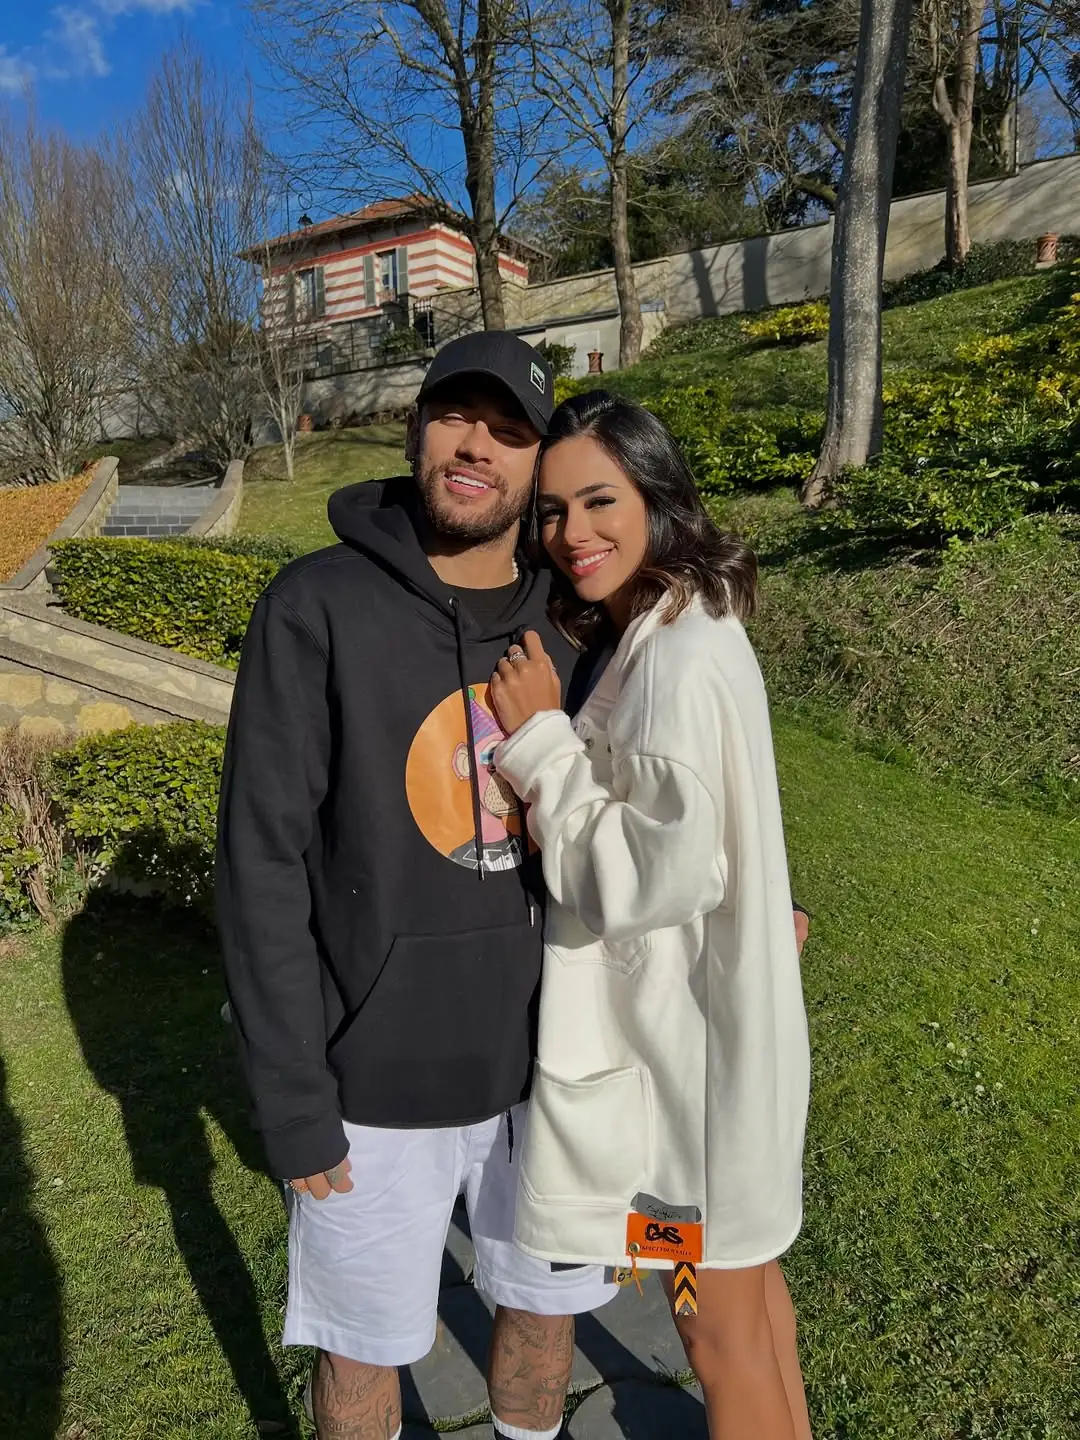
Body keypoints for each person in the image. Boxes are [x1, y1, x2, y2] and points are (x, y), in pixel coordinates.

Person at [215, 332, 620, 1440]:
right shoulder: (315, 606)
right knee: (360, 1353)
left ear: (539, 462)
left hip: (557, 1067)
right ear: (415, 429)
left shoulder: (580, 619)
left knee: (543, 1319)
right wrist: (295, 1099)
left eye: (509, 431)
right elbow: (260, 865)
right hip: (371, 1082)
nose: (476, 446)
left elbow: (665, 793)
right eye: (455, 418)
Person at [487, 391, 814, 1440]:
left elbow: (646, 878)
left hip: (685, 1087)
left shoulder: (672, 655)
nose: (571, 533)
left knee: (712, 1337)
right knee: (751, 1313)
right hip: (715, 1052)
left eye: (599, 501)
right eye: (551, 511)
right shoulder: (687, 625)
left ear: (656, 495)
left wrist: (540, 746)